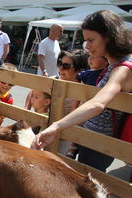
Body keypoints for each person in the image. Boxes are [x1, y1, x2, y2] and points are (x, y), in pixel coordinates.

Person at [32, 10, 132, 173]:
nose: (88, 46)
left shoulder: (122, 69)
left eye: (91, 40)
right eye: (86, 40)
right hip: (91, 139)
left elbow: (98, 103)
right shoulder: (114, 64)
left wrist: (56, 126)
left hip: (99, 143)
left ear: (109, 36)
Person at [65, 54, 109, 159]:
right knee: (78, 124)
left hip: (96, 107)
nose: (90, 58)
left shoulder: (107, 74)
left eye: (95, 56)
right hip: (84, 103)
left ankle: (75, 147)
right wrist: (75, 108)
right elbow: (78, 91)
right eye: (89, 56)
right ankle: (73, 147)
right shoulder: (85, 74)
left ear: (106, 62)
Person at [24, 24, 63, 110]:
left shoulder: (56, 42)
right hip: (44, 75)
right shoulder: (44, 43)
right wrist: (44, 71)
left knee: (46, 98)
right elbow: (40, 57)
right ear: (53, 31)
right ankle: (27, 111)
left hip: (54, 75)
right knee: (36, 95)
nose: (62, 33)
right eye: (60, 31)